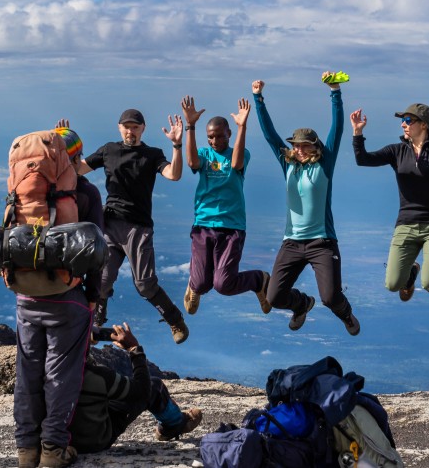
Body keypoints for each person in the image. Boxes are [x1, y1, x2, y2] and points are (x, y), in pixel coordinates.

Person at [15, 126, 102, 468]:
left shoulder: (24, 191)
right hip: (67, 298)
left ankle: (26, 451)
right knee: (61, 375)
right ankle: (53, 450)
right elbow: (97, 252)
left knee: (28, 373)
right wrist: (93, 297)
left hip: (26, 298)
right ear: (76, 158)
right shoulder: (86, 193)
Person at [251, 73, 360, 335]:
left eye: (304, 145)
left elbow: (337, 129)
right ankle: (302, 304)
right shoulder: (287, 166)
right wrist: (258, 99)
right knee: (274, 297)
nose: (298, 149)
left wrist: (335, 92)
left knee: (331, 298)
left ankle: (346, 314)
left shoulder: (324, 165)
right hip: (291, 242)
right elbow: (270, 135)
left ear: (315, 147)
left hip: (321, 242)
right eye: (295, 145)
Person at [68, 110, 190, 344]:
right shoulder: (109, 150)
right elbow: (78, 169)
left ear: (143, 129)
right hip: (110, 225)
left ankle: (176, 320)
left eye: (135, 127)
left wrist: (177, 145)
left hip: (139, 228)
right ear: (119, 128)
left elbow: (173, 174)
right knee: (102, 280)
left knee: (145, 285)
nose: (130, 131)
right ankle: (95, 320)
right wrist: (63, 146)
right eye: (126, 126)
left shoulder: (152, 154)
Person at [350, 87, 429, 321]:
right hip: (406, 225)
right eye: (402, 120)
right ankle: (410, 273)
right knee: (393, 284)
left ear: (423, 125)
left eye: (407, 120)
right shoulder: (396, 151)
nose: (403, 124)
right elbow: (362, 160)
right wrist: (357, 134)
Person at [179, 95, 272, 315]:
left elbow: (237, 163)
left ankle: (259, 280)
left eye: (220, 136)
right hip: (203, 223)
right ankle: (193, 285)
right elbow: (192, 162)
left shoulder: (240, 154)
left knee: (223, 285)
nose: (215, 141)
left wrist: (242, 127)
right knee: (202, 284)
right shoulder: (204, 153)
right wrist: (190, 126)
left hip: (232, 227)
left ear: (229, 134)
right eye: (211, 137)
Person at [69, 322, 203, 454]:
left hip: (58, 438)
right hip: (96, 439)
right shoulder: (96, 376)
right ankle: (174, 424)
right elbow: (142, 391)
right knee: (154, 386)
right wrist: (134, 349)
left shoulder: (51, 369)